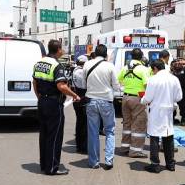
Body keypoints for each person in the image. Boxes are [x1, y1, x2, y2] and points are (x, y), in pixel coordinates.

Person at [33, 40, 80, 175]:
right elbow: (61, 86)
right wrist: (74, 95)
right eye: (62, 48)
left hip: (42, 102)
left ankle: (44, 164)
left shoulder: (39, 63)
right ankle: (52, 167)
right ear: (58, 49)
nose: (63, 50)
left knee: (44, 134)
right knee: (54, 136)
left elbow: (34, 83)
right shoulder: (57, 65)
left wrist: (40, 98)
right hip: (54, 104)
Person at [141, 59, 182, 173]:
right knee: (168, 136)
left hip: (156, 111)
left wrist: (142, 100)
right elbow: (179, 97)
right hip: (168, 110)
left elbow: (148, 98)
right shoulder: (174, 79)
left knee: (154, 136)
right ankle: (170, 163)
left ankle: (155, 164)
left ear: (155, 68)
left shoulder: (153, 79)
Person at [83, 44, 120, 169]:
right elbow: (116, 86)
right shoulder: (110, 66)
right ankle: (109, 161)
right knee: (109, 131)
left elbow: (84, 83)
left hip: (91, 101)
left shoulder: (87, 64)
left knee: (93, 132)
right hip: (106, 102)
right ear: (106, 55)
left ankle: (94, 162)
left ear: (95, 53)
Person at [118, 48, 150, 158]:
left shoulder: (125, 68)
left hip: (125, 97)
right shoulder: (143, 69)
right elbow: (147, 85)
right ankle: (135, 151)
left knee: (127, 123)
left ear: (131, 56)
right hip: (137, 98)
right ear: (141, 57)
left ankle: (124, 148)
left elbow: (119, 79)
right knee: (139, 124)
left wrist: (128, 85)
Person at [72, 55, 88, 154]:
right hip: (82, 97)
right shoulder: (82, 72)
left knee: (79, 123)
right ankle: (83, 147)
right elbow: (85, 85)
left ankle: (79, 145)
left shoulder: (74, 70)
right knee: (84, 124)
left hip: (76, 97)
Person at [171, 59, 185, 126]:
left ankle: (183, 119)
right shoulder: (171, 74)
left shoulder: (184, 73)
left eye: (178, 64)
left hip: (182, 91)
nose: (177, 65)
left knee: (182, 106)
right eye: (175, 65)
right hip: (173, 91)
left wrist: (180, 62)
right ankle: (173, 119)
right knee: (173, 106)